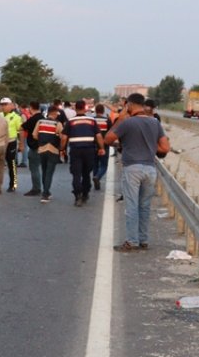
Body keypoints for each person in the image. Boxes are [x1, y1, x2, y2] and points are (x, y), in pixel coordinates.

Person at [104, 93, 171, 251]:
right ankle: (143, 240)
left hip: (132, 168)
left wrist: (120, 119)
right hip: (150, 169)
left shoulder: (127, 123)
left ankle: (131, 241)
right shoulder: (155, 122)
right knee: (145, 206)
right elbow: (165, 148)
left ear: (130, 105)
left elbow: (107, 139)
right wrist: (148, 145)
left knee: (132, 206)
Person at [61, 100, 105, 207]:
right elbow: (99, 136)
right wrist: (101, 148)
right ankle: (85, 193)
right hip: (89, 150)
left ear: (75, 108)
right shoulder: (91, 120)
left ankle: (78, 196)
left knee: (76, 174)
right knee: (86, 173)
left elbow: (64, 137)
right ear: (85, 108)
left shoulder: (71, 121)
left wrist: (62, 149)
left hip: (75, 150)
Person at [32, 101, 64, 203]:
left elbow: (34, 135)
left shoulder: (40, 122)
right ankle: (45, 194)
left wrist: (41, 141)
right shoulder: (57, 124)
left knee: (44, 171)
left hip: (42, 149)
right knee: (49, 172)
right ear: (54, 113)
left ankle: (46, 192)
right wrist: (61, 148)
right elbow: (62, 137)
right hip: (53, 150)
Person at [20, 100, 46, 196]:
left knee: (34, 168)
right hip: (44, 147)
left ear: (31, 108)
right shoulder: (43, 118)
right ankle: (44, 188)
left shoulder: (33, 119)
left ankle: (36, 188)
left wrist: (21, 144)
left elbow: (22, 127)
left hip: (35, 147)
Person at [2, 98, 22, 190]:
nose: (3, 106)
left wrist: (21, 143)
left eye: (6, 104)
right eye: (2, 104)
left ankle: (13, 184)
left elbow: (21, 131)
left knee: (11, 163)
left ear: (11, 105)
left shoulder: (16, 117)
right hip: (0, 142)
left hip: (11, 142)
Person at [92, 103, 111, 190]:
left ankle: (95, 177)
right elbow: (111, 132)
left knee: (95, 164)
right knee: (103, 165)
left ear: (95, 111)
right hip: (104, 145)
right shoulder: (107, 120)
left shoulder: (91, 120)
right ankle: (98, 177)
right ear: (103, 111)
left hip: (93, 145)